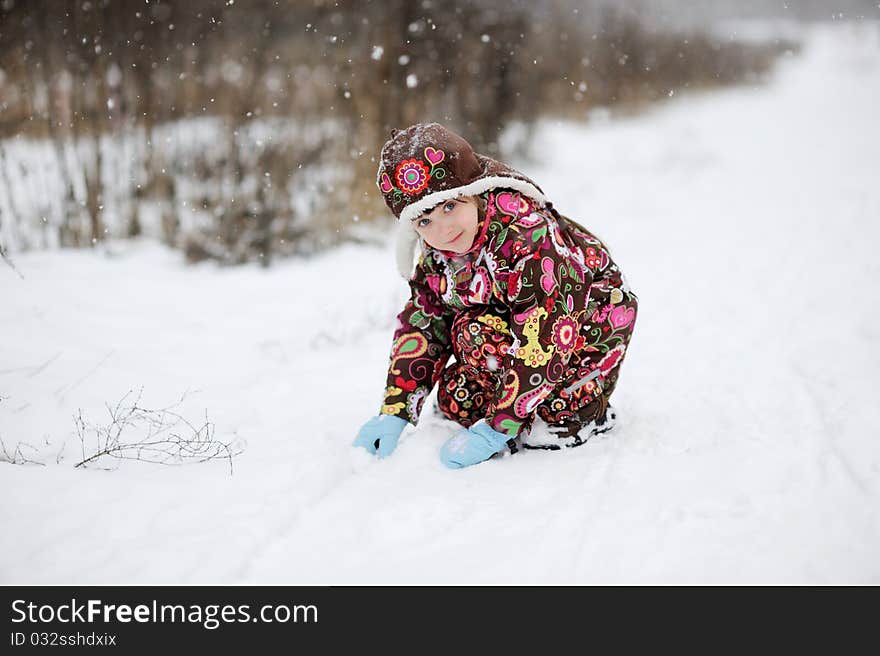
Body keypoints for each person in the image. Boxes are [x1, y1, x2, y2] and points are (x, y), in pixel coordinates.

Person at [353, 122, 638, 468]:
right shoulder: (439, 251)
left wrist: (497, 426)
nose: (443, 230)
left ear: (473, 191)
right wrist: (396, 409)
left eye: (449, 207)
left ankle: (578, 412)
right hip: (514, 331)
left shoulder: (525, 235)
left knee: (541, 406)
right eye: (425, 221)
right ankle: (520, 407)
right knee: (455, 401)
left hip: (585, 329)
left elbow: (547, 330)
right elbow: (426, 321)